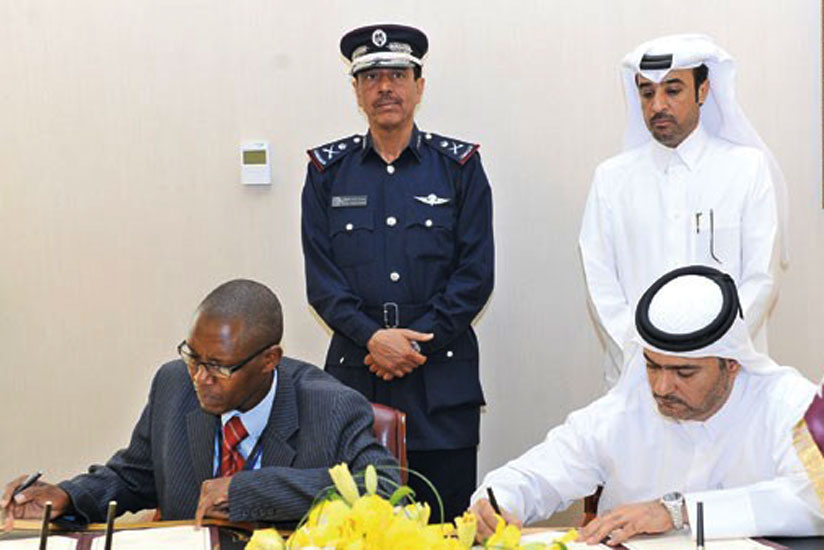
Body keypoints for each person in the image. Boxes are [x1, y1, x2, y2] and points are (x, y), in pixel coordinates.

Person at [470, 266, 824, 544]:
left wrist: (678, 512)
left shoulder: (788, 405)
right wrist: (496, 502)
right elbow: (537, 473)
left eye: (685, 371)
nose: (661, 386)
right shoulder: (626, 408)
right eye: (653, 365)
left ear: (732, 364)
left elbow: (815, 501)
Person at [2, 279, 398, 527]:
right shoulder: (173, 384)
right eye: (193, 357)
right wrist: (69, 496)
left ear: (269, 360)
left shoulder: (330, 406)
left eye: (218, 367)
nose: (199, 378)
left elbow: (382, 486)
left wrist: (248, 491)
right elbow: (134, 477)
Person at [301, 24, 494, 521]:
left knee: (447, 523)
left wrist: (412, 345)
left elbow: (475, 275)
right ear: (357, 92)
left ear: (419, 85)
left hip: (441, 379)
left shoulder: (459, 168)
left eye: (397, 75)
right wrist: (373, 338)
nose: (385, 87)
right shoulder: (327, 171)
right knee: (354, 524)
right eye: (371, 78)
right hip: (355, 380)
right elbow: (323, 284)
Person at [579, 34, 787, 387]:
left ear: (702, 91)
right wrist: (649, 353)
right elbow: (600, 283)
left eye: (672, 90)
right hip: (639, 376)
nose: (657, 105)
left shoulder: (746, 169)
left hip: (727, 374)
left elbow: (760, 277)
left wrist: (708, 351)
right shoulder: (611, 180)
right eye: (647, 93)